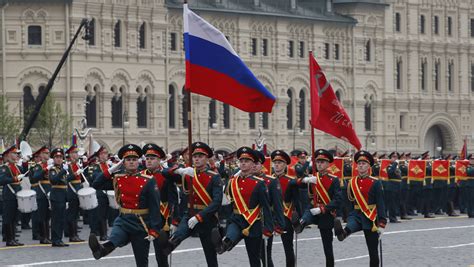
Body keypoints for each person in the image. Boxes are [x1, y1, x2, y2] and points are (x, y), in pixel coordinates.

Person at [89, 144, 161, 267]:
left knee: (141, 262)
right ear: (123, 163)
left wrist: (154, 230)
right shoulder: (118, 178)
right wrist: (111, 170)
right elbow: (96, 184)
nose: (131, 162)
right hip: (123, 219)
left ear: (138, 162)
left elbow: (155, 206)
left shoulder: (148, 180)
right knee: (115, 239)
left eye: (134, 160)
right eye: (128, 160)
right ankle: (101, 250)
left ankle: (102, 250)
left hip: (141, 223)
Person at [161, 142, 222, 267]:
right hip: (189, 214)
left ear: (206, 158)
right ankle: (168, 245)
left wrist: (199, 217)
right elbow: (165, 173)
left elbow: (216, 202)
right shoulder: (187, 174)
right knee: (177, 237)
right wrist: (179, 170)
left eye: (200, 156)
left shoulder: (214, 177)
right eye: (195, 156)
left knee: (210, 256)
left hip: (207, 218)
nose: (197, 159)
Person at [214, 146, 274, 267]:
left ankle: (225, 243)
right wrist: (223, 221)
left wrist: (268, 229)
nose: (243, 163)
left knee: (254, 259)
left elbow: (266, 207)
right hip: (237, 219)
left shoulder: (259, 183)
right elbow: (227, 202)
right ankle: (223, 244)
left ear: (253, 165)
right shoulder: (233, 181)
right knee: (230, 236)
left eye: (246, 161)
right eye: (241, 161)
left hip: (253, 223)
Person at [334, 150, 387, 267]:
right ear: (356, 166)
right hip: (357, 214)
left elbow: (381, 203)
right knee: (349, 227)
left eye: (364, 164)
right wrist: (348, 215)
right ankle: (342, 233)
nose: (361, 165)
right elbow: (349, 202)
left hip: (371, 217)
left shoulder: (376, 182)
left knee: (373, 252)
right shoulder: (351, 182)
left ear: (368, 166)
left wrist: (382, 223)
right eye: (359, 164)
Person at [297, 149, 341, 267]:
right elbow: (298, 180)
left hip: (326, 213)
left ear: (328, 164)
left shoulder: (334, 179)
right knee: (307, 214)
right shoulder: (313, 177)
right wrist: (305, 180)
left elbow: (337, 200)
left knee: (327, 246)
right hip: (313, 208)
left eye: (322, 162)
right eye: (318, 162)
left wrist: (323, 209)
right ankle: (300, 224)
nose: (320, 164)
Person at [141, 143, 178, 267]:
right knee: (141, 255)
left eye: (152, 159)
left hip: (163, 219)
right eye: (147, 158)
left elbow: (173, 199)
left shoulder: (166, 175)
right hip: (144, 218)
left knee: (161, 255)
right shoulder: (141, 175)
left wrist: (174, 221)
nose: (149, 161)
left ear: (159, 160)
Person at [254, 150, 285, 267]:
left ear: (261, 165)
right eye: (253, 163)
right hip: (250, 223)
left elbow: (278, 205)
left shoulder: (270, 181)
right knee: (254, 255)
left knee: (265, 256)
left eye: (257, 163)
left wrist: (279, 225)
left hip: (265, 222)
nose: (254, 166)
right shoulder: (243, 180)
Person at [0, 145, 26, 246]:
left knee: (15, 217)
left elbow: (24, 174)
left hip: (17, 194)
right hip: (9, 195)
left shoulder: (17, 167)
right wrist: (14, 179)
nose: (16, 155)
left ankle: (13, 238)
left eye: (16, 153)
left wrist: (25, 162)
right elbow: (1, 180)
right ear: (8, 155)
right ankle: (9, 239)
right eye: (14, 153)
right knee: (8, 217)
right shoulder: (4, 168)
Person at [49, 148, 72, 247]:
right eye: (56, 157)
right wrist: (63, 171)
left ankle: (59, 238)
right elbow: (54, 180)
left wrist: (72, 173)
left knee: (62, 218)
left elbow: (66, 181)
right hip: (56, 195)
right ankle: (55, 239)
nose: (59, 159)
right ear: (53, 159)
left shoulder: (63, 169)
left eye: (60, 157)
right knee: (56, 219)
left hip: (63, 195)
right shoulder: (53, 169)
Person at [30, 146, 52, 244]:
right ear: (41, 154)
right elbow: (35, 177)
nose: (48, 155)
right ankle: (43, 237)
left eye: (48, 153)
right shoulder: (38, 166)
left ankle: (47, 236)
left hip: (49, 192)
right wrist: (44, 169)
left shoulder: (51, 165)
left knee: (48, 215)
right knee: (42, 215)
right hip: (41, 192)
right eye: (46, 153)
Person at [65, 145, 85, 242]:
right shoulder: (67, 166)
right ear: (70, 155)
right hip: (71, 191)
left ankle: (75, 234)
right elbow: (66, 179)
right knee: (72, 214)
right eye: (74, 153)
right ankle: (72, 235)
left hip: (78, 190)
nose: (77, 155)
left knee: (76, 213)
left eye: (77, 153)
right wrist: (76, 173)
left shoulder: (77, 165)